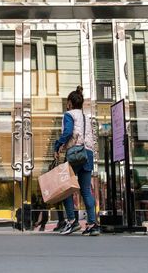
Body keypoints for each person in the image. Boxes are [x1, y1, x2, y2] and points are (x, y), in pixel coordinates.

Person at [54, 86, 99, 236]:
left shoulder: (69, 115)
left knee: (66, 188)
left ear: (70, 103)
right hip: (88, 154)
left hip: (75, 154)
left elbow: (68, 132)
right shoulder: (87, 117)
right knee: (86, 190)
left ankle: (72, 221)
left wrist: (58, 145)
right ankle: (93, 224)